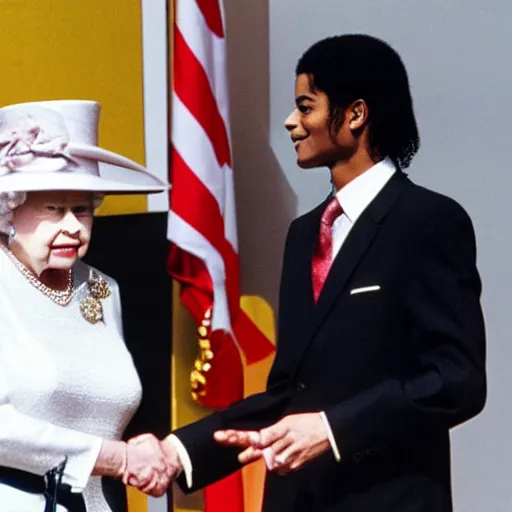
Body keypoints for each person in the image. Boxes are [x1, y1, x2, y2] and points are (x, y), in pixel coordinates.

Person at [148, 34, 487, 512]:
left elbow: (458, 380)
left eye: (305, 107)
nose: (291, 122)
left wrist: (332, 430)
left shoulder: (428, 221)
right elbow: (289, 393)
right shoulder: (305, 234)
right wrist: (177, 451)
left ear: (355, 114)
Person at [0, 100, 179, 512]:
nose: (72, 225)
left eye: (81, 208)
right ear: (9, 205)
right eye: (53, 209)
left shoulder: (103, 289)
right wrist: (118, 458)